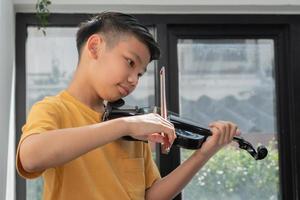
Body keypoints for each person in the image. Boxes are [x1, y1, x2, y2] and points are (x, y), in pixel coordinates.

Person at [16, 12, 240, 200]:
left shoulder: (132, 125)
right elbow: (31, 157)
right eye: (130, 62)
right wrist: (126, 126)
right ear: (95, 47)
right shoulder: (54, 109)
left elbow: (151, 196)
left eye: (140, 74)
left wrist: (202, 155)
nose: (134, 80)